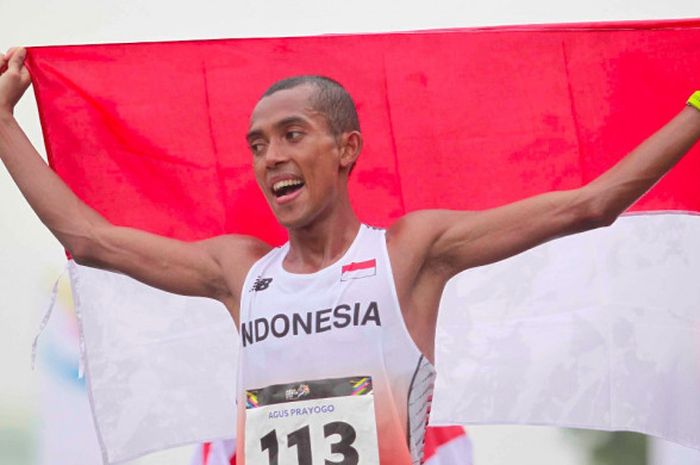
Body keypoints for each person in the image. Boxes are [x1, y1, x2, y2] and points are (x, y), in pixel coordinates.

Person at [1, 45, 699, 465]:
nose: (271, 155)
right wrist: (3, 125)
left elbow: (592, 203)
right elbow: (90, 239)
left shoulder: (409, 253)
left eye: (292, 133)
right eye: (257, 143)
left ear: (347, 149)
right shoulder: (241, 271)